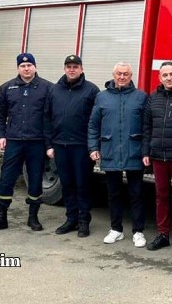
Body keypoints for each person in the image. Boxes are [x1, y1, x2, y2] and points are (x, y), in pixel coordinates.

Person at [0, 53, 53, 233]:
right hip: (14, 141)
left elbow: (51, 117)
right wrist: (0, 136)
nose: (26, 68)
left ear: (35, 67)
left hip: (36, 142)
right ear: (18, 68)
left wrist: (49, 143)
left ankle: (33, 217)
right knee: (6, 178)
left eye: (29, 65)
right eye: (23, 66)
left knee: (35, 179)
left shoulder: (47, 88)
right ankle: (1, 218)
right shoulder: (7, 88)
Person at [88, 62, 148, 247]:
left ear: (131, 76)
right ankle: (116, 230)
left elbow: (147, 127)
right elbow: (93, 125)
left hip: (134, 151)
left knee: (136, 193)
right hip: (110, 151)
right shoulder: (102, 97)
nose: (122, 77)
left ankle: (138, 232)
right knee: (113, 194)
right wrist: (93, 147)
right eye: (119, 74)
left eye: (126, 74)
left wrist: (146, 151)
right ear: (113, 75)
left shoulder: (141, 97)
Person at [46, 54, 100, 238]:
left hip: (81, 147)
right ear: (64, 69)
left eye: (75, 66)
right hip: (60, 146)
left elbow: (96, 120)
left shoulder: (91, 90)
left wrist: (93, 146)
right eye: (68, 66)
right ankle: (71, 219)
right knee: (67, 184)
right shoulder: (54, 90)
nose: (72, 69)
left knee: (82, 184)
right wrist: (49, 144)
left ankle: (84, 221)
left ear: (81, 69)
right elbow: (47, 118)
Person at [142, 61, 172, 255]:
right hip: (157, 156)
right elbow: (147, 127)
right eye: (165, 75)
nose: (169, 78)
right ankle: (163, 234)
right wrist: (146, 151)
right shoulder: (153, 98)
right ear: (159, 77)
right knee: (161, 196)